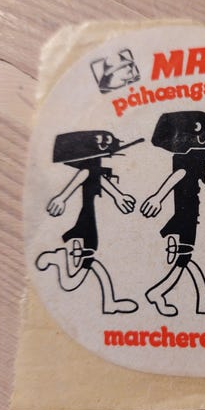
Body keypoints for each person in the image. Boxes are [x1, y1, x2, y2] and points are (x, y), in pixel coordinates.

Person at [36, 130, 142, 314]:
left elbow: (97, 179)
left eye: (107, 141)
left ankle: (109, 302)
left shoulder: (95, 164)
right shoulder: (89, 165)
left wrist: (119, 196)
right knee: (87, 258)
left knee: (89, 256)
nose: (105, 145)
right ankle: (59, 259)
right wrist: (62, 198)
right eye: (101, 141)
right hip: (88, 215)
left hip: (90, 213)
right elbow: (84, 176)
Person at [141, 111, 205, 317]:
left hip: (191, 211)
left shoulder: (196, 158)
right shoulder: (184, 159)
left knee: (186, 256)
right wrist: (157, 197)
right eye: (199, 129)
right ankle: (158, 293)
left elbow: (204, 179)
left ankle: (203, 302)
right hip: (184, 213)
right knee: (184, 257)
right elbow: (179, 175)